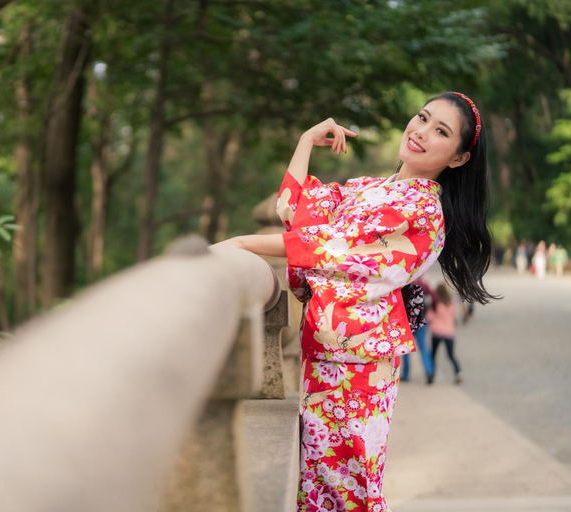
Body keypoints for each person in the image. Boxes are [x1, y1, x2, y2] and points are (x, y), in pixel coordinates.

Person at [213, 91, 498, 512]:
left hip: (359, 371)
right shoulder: (367, 188)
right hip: (324, 358)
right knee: (318, 488)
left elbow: (331, 247)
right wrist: (306, 141)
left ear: (457, 159)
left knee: (350, 491)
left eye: (440, 131)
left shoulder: (424, 212)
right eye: (422, 118)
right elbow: (299, 214)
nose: (420, 131)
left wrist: (240, 243)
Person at [400, 275, 437, 384]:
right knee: (423, 347)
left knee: (406, 348)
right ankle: (429, 372)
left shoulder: (404, 285)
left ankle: (406, 374)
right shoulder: (423, 285)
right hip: (421, 319)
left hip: (407, 321)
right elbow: (434, 298)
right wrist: (430, 309)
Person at [427, 283, 462, 384]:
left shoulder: (436, 303)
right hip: (449, 332)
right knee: (451, 355)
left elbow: (430, 316)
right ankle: (458, 372)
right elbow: (454, 316)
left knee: (433, 354)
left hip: (437, 331)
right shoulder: (450, 303)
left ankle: (432, 374)